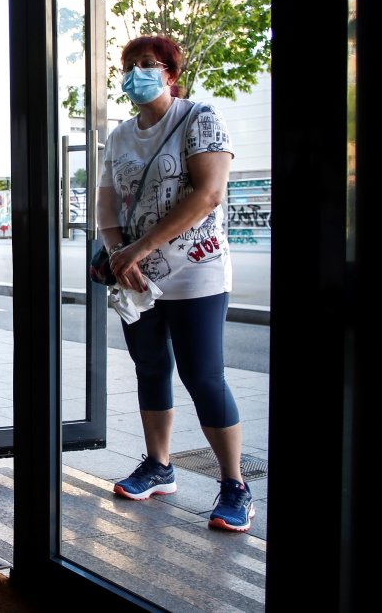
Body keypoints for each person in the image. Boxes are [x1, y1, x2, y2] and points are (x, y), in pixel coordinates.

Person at [99, 35, 253, 532]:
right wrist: (119, 253)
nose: (136, 72)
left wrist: (138, 249)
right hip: (136, 275)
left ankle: (235, 484)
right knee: (150, 368)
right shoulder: (119, 136)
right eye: (129, 65)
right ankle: (159, 466)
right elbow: (107, 204)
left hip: (195, 270)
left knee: (203, 375)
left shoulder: (199, 117)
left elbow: (208, 194)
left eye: (148, 63)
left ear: (170, 73)